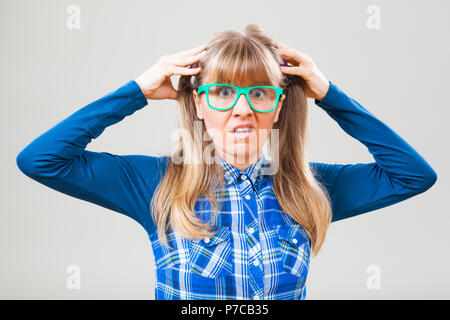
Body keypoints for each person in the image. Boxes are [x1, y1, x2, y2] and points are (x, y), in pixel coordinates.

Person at [16, 24, 437, 300]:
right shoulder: (157, 184)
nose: (241, 110)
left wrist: (328, 93)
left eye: (258, 93)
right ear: (198, 104)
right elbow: (41, 160)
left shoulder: (307, 190)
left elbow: (413, 175)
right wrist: (137, 90)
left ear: (278, 106)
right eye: (221, 93)